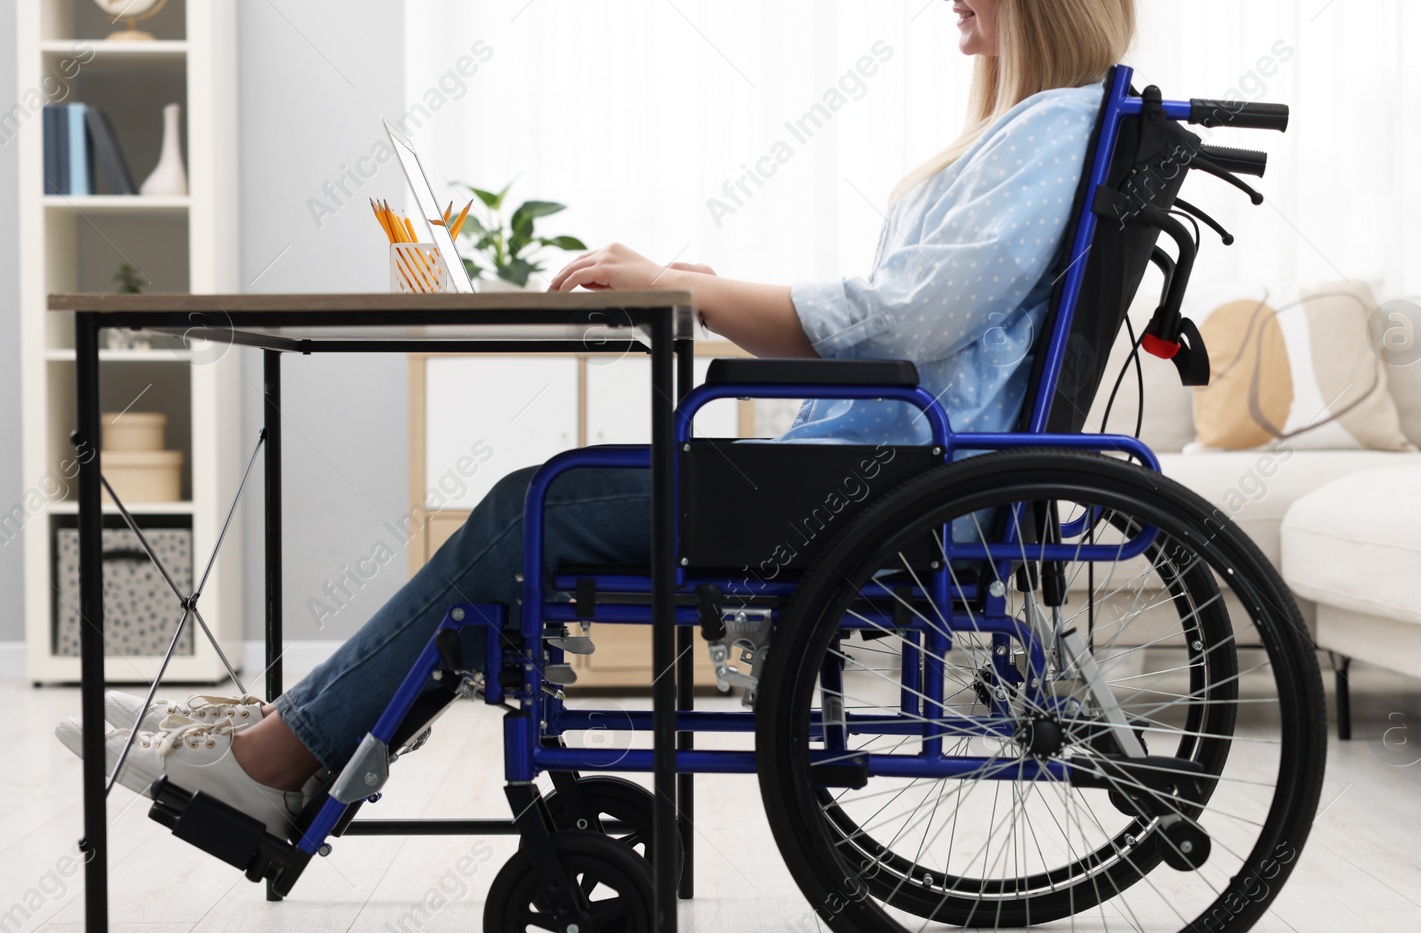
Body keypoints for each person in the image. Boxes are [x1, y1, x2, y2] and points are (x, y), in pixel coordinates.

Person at [58, 0, 1137, 840]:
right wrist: (707, 290)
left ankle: (268, 761)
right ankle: (280, 745)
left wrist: (695, 291)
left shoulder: (1047, 130)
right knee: (540, 497)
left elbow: (903, 317)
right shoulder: (1042, 128)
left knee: (537, 503)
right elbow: (910, 325)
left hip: (883, 485)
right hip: (882, 469)